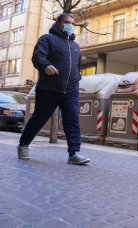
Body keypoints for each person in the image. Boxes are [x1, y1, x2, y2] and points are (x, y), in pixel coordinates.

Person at [17, 13, 90, 165]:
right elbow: (38, 56)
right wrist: (46, 66)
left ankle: (74, 153)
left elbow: (78, 67)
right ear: (58, 23)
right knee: (39, 118)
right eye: (66, 22)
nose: (70, 25)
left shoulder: (75, 46)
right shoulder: (47, 39)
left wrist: (77, 78)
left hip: (70, 90)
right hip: (49, 88)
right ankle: (23, 145)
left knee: (72, 120)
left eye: (72, 23)